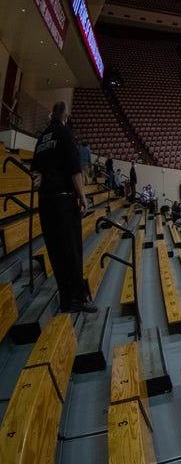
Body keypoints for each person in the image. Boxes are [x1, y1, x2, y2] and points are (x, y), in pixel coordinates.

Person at [30, 101, 96, 313]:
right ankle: (78, 299)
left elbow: (35, 173)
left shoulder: (42, 138)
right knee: (71, 251)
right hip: (63, 201)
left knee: (56, 253)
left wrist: (42, 178)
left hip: (45, 201)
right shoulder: (65, 134)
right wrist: (83, 197)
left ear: (52, 115)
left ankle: (65, 300)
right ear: (65, 116)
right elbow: (74, 171)